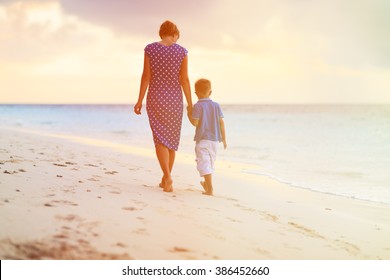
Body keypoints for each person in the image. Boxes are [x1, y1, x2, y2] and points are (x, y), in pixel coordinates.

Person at [134, 20, 192, 193]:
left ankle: (166, 177)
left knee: (160, 138)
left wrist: (139, 100)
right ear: (174, 34)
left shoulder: (150, 49)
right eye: (177, 37)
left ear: (161, 33)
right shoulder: (181, 51)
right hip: (175, 100)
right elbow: (184, 80)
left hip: (156, 98)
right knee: (172, 140)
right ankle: (166, 177)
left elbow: (146, 77)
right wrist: (190, 104)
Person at [187, 78, 227, 195]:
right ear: (210, 92)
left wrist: (189, 113)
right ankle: (207, 184)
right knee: (209, 163)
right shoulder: (216, 105)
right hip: (215, 141)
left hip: (203, 139)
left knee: (203, 163)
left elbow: (195, 123)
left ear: (196, 93)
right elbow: (221, 123)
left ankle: (210, 189)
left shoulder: (198, 106)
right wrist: (224, 139)